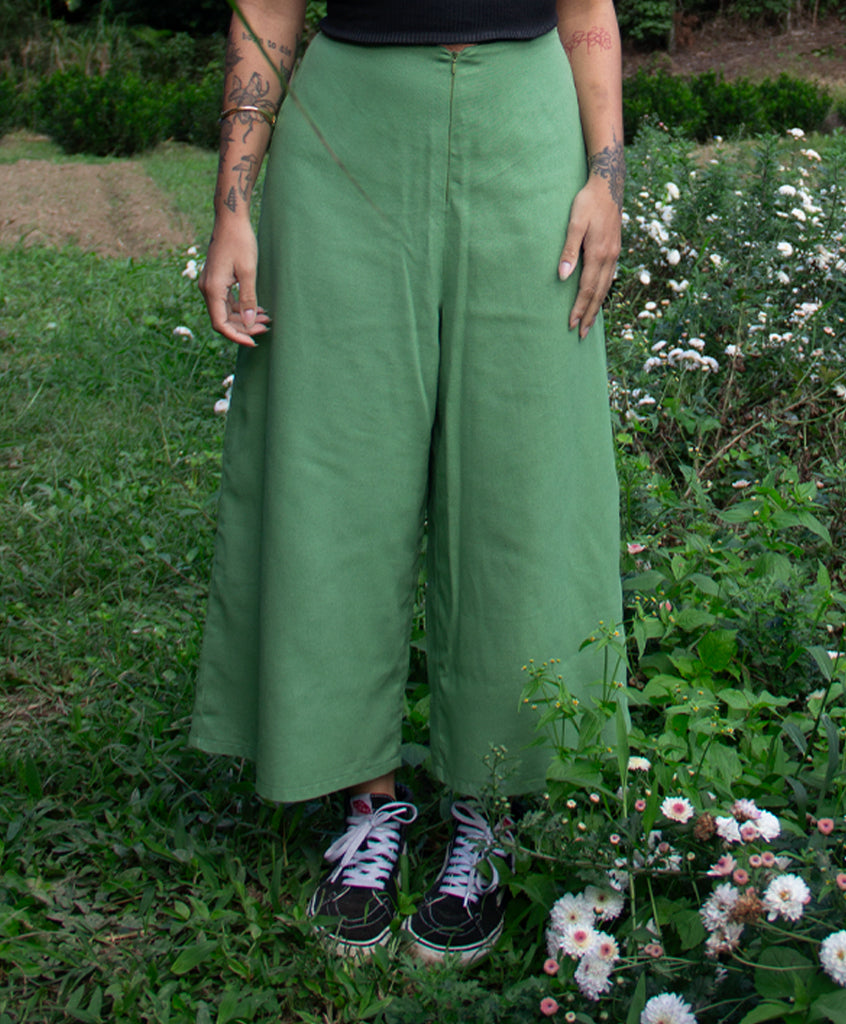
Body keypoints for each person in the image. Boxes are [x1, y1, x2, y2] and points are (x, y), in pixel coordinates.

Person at [190, 0, 624, 964]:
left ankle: (492, 796)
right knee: (336, 468)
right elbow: (266, 11)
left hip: (525, 127)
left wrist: (605, 179)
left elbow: (587, 6)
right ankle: (366, 800)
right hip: (348, 136)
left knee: (524, 475)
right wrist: (232, 206)